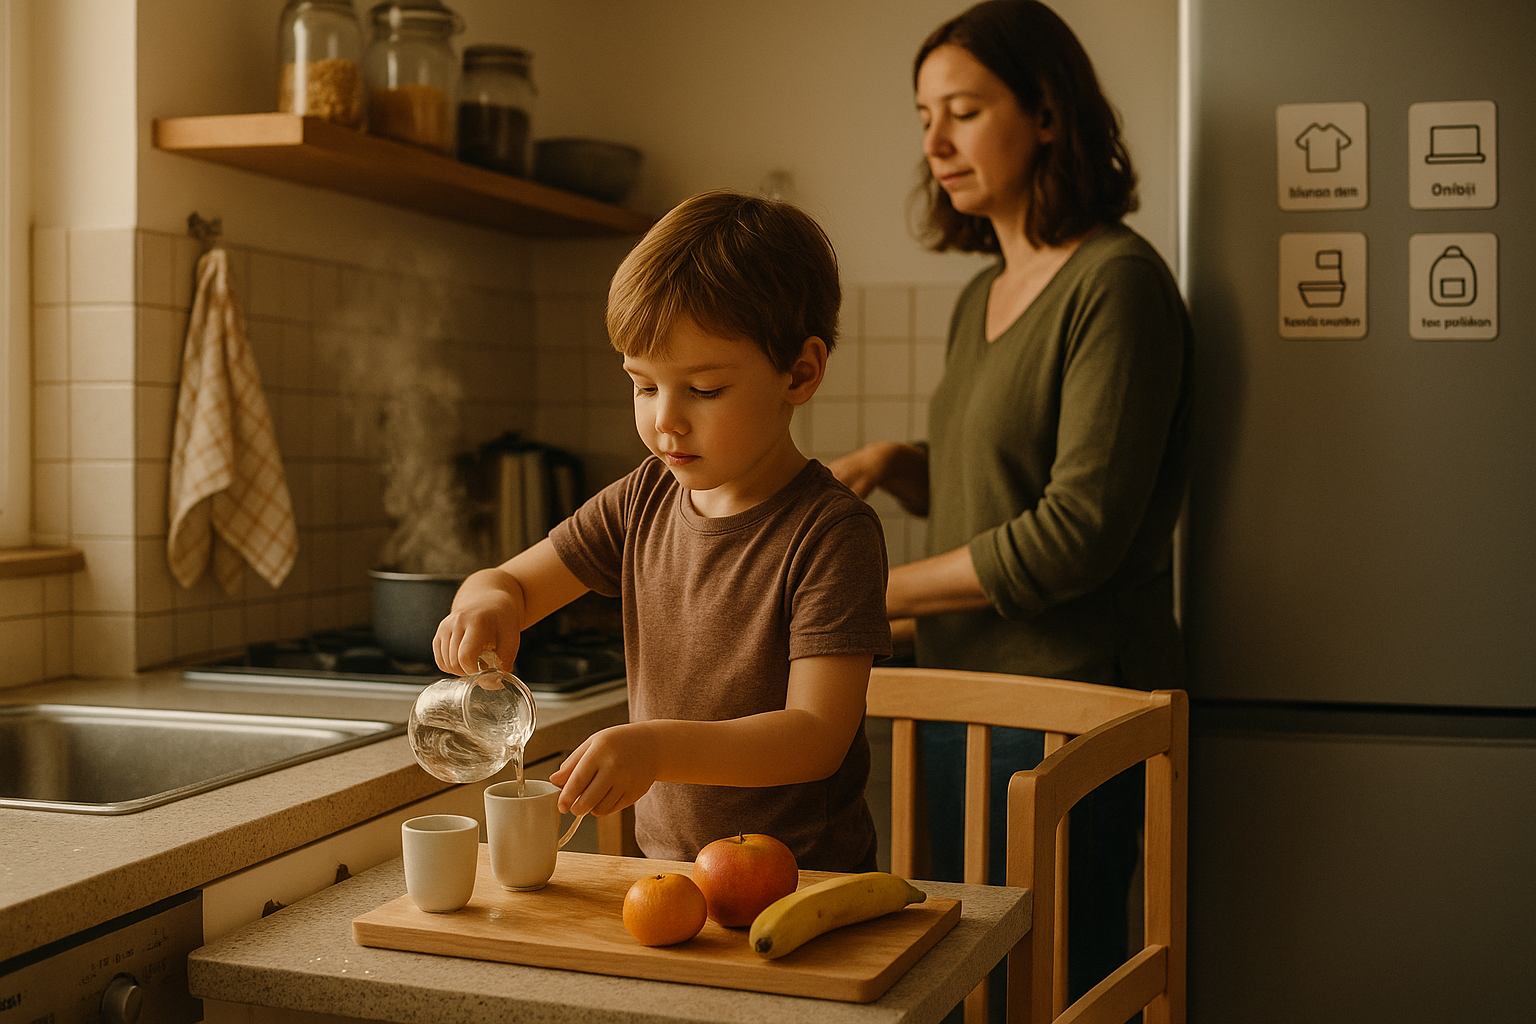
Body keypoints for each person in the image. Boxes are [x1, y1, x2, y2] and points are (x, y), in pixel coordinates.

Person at [830, 0, 1191, 1012]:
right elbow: (999, 481)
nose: (934, 142)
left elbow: (1073, 531)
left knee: (1052, 989)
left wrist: (874, 593)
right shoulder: (981, 291)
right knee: (972, 987)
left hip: (1072, 712)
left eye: (962, 110)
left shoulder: (1115, 284)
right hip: (966, 703)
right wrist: (899, 462)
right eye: (922, 116)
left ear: (1046, 114)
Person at [435, 190, 893, 873]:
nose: (665, 421)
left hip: (805, 884)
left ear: (800, 372)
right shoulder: (643, 498)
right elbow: (511, 582)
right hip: (669, 873)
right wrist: (487, 602)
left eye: (703, 390)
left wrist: (656, 748)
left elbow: (815, 736)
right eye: (644, 386)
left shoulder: (831, 532)